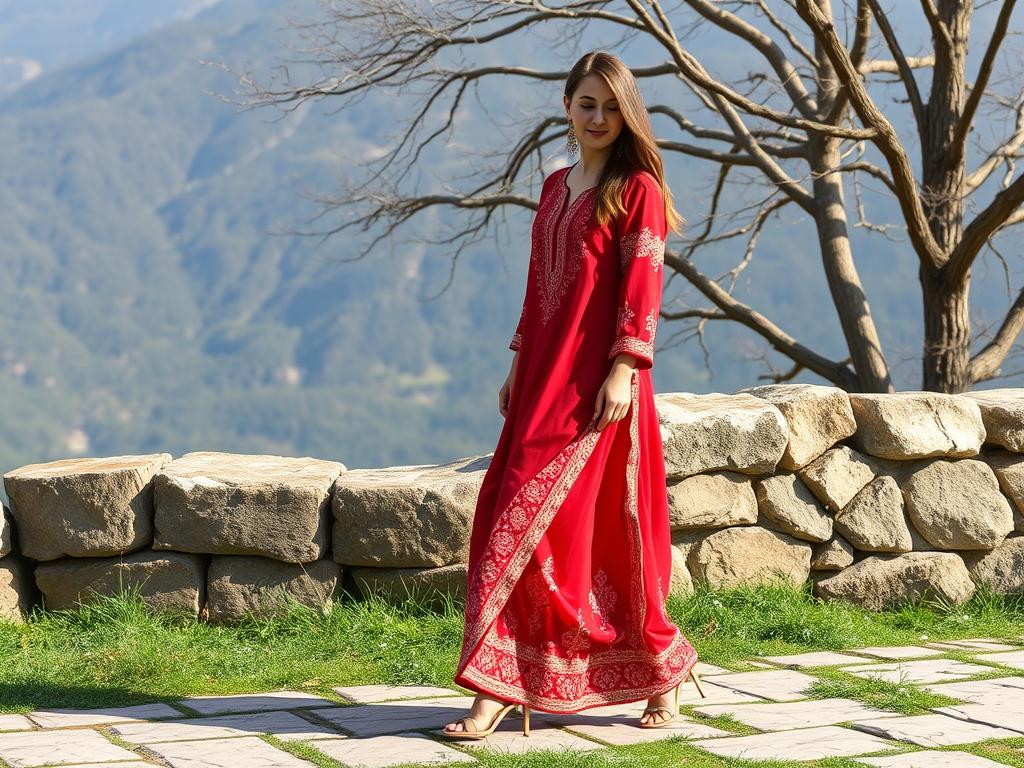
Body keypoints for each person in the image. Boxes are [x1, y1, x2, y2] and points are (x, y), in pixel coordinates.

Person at [442, 50, 704, 740]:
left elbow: (643, 283)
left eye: (611, 107)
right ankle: (501, 684)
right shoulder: (555, 187)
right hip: (541, 381)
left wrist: (625, 365)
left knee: (612, 533)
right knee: (508, 517)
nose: (597, 117)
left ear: (628, 114)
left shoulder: (637, 188)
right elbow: (539, 284)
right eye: (586, 104)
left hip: (600, 386)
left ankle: (658, 677)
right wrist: (518, 360)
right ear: (567, 105)